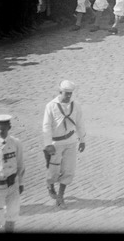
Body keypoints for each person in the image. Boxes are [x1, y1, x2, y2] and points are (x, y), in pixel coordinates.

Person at [42, 79, 86, 208]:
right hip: (56, 143)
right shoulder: (50, 106)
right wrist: (48, 144)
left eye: (70, 94)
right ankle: (50, 185)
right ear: (59, 92)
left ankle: (61, 195)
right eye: (66, 93)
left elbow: (80, 123)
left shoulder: (76, 105)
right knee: (53, 170)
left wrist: (82, 140)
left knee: (68, 170)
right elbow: (46, 126)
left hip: (71, 142)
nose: (68, 96)